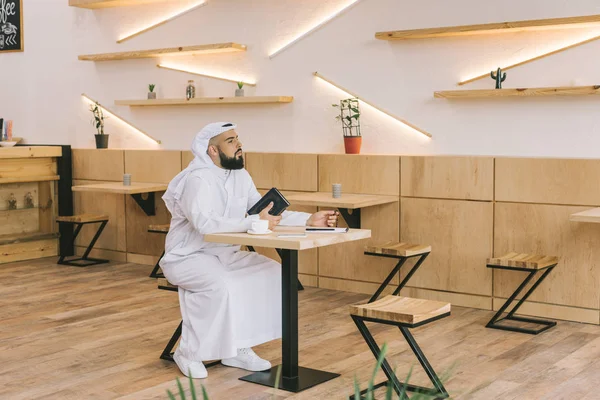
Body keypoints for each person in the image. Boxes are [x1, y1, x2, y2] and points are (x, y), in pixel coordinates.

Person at [160, 122, 339, 379]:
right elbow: (204, 224)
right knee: (221, 285)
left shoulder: (241, 176)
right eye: (231, 141)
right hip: (187, 258)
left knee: (274, 273)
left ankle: (236, 347)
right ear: (212, 150)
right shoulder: (196, 179)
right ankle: (188, 353)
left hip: (226, 255)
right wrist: (254, 223)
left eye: (238, 139)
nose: (239, 145)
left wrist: (308, 220)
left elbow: (262, 212)